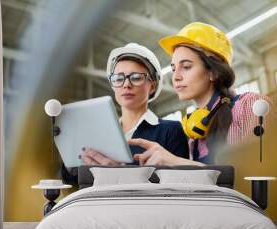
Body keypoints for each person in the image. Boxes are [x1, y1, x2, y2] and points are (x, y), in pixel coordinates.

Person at [128, 22, 271, 166]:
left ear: (213, 72)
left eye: (186, 66)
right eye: (173, 68)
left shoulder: (252, 106)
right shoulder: (193, 134)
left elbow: (261, 170)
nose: (176, 76)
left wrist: (177, 162)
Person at [62, 43, 189, 184]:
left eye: (136, 77)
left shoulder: (171, 131)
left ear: (152, 86)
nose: (126, 84)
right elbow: (72, 180)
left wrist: (121, 174)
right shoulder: (100, 134)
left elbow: (178, 188)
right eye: (119, 78)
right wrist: (71, 154)